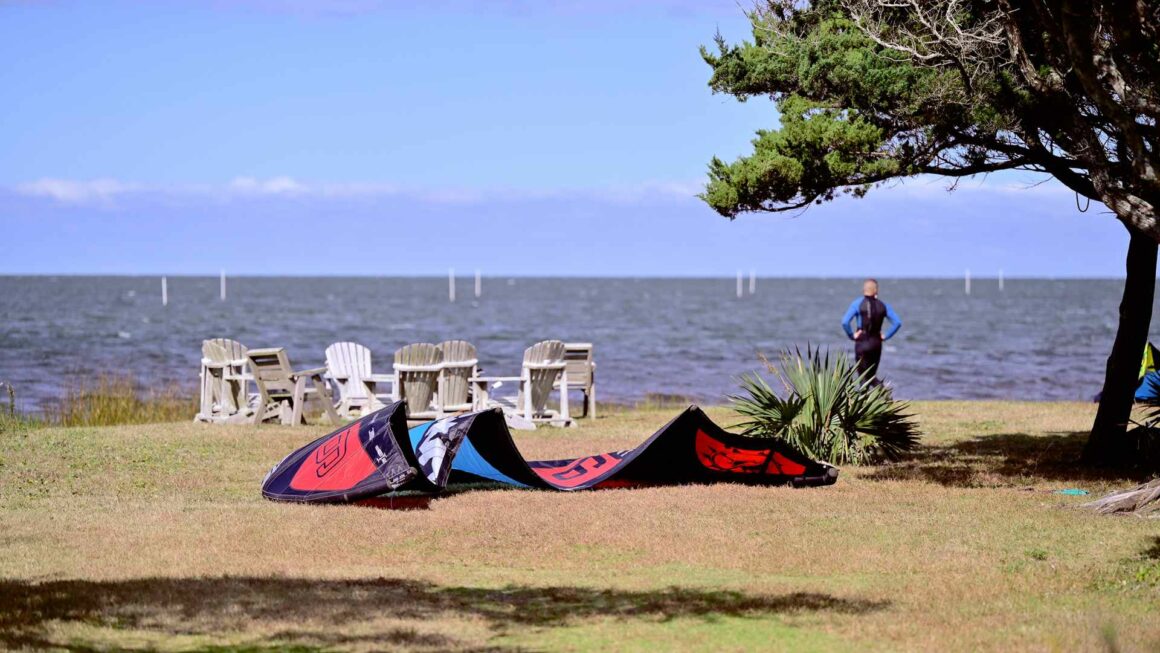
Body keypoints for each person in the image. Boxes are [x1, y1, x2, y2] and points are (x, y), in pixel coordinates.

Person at [841, 279, 902, 381]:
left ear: (863, 290)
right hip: (876, 342)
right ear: (876, 290)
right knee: (871, 375)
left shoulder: (857, 303)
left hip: (862, 341)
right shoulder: (883, 305)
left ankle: (882, 392)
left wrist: (852, 335)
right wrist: (886, 336)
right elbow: (897, 322)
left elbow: (845, 322)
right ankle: (881, 393)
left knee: (863, 377)